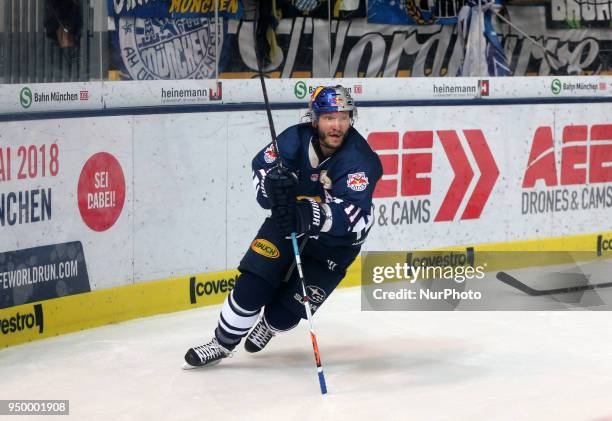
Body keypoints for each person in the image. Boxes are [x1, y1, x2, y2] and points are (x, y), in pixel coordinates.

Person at [183, 85, 382, 368]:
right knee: (252, 285)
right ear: (315, 119)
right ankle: (221, 344)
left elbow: (351, 215)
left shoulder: (360, 160)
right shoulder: (293, 139)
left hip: (336, 243)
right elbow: (261, 170)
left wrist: (308, 213)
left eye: (343, 117)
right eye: (329, 117)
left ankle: (268, 325)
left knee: (286, 313)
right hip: (289, 222)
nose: (337, 125)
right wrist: (272, 187)